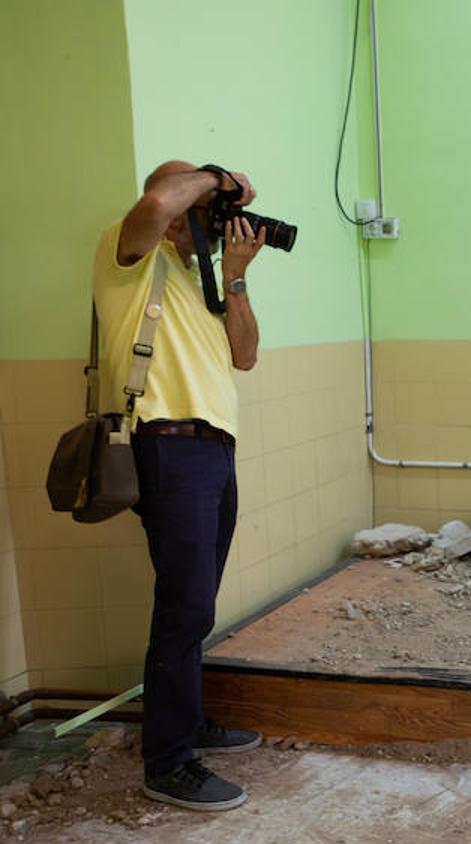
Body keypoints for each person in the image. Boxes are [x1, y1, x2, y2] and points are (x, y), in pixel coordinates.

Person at [93, 160, 265, 811]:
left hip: (214, 451)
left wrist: (237, 275)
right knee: (185, 605)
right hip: (167, 445)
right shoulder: (131, 253)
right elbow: (163, 196)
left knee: (197, 603)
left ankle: (186, 722)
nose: (217, 228)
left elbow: (244, 355)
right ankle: (167, 760)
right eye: (209, 216)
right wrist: (217, 177)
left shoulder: (202, 281)